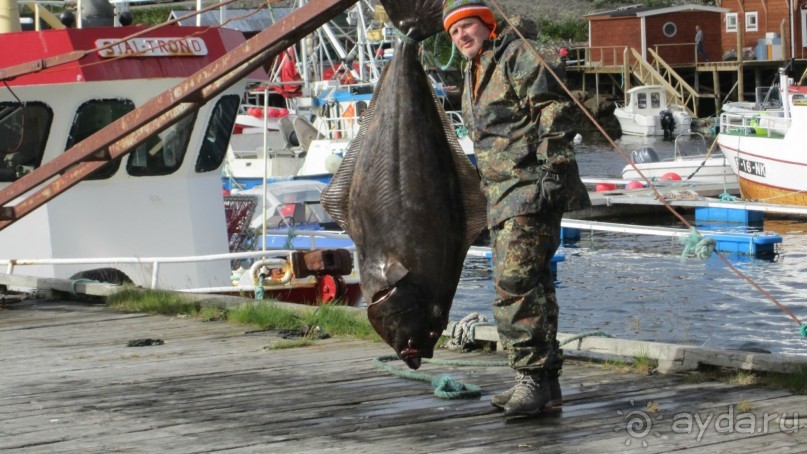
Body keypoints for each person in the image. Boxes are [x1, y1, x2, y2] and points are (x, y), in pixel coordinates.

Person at [444, 0, 590, 418]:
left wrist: (552, 172)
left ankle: (531, 378)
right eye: (454, 32)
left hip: (530, 190)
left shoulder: (516, 53)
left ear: (486, 24)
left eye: (466, 26)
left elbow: (554, 109)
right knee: (535, 286)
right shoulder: (474, 69)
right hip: (502, 194)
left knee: (513, 285)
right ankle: (547, 384)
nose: (461, 36)